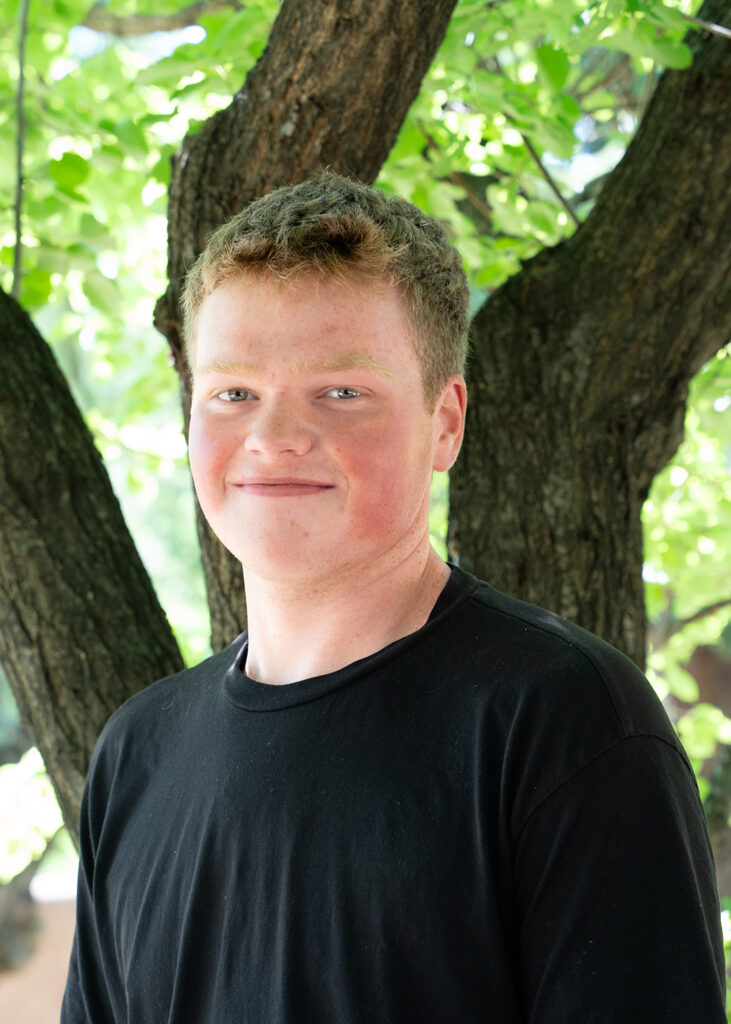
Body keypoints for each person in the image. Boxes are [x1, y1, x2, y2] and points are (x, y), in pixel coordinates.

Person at [61, 173, 725, 1023]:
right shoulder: (137, 755)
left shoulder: (561, 724)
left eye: (341, 391)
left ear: (444, 422)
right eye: (233, 393)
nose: (273, 438)